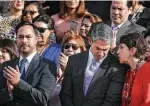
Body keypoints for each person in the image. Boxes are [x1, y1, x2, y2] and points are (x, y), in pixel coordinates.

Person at [60, 22, 128, 106]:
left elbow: (111, 101)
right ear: (90, 41)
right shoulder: (74, 60)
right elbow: (66, 93)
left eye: (105, 49)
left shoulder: (117, 68)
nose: (101, 53)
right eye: (98, 48)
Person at [0, 22, 56, 106]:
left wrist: (18, 83)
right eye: (20, 37)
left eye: (28, 37)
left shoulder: (47, 66)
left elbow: (43, 99)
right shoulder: (6, 65)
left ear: (37, 39)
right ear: (16, 39)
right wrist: (9, 91)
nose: (24, 41)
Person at [117, 32, 150, 106]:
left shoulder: (147, 69)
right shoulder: (129, 71)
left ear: (132, 51)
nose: (117, 52)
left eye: (121, 47)